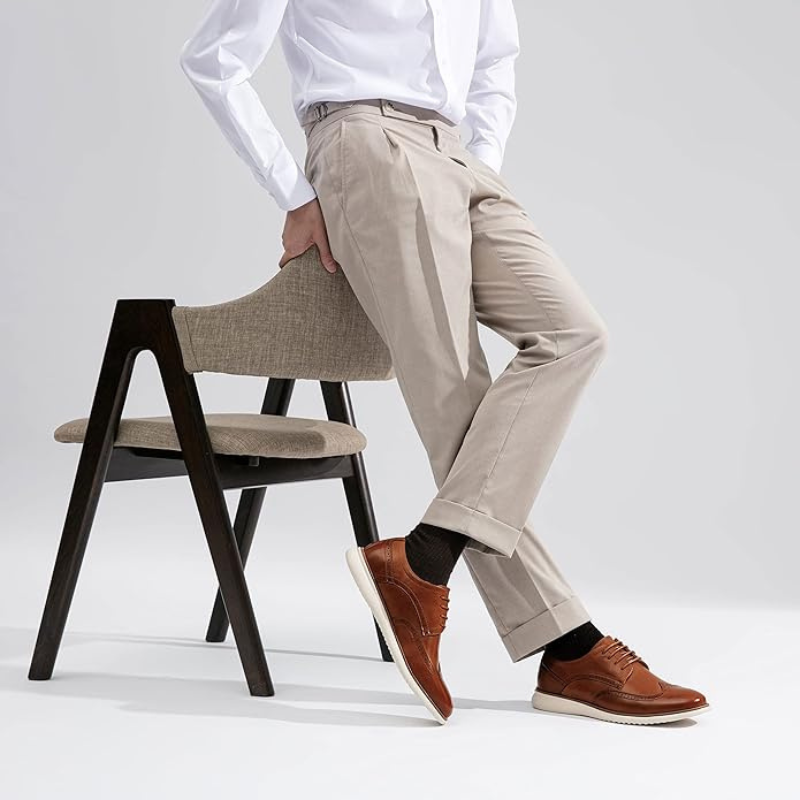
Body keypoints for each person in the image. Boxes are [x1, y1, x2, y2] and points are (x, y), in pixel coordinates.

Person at [179, 0, 710, 725]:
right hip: (365, 140)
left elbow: (494, 60)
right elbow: (213, 58)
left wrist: (478, 162)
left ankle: (423, 561)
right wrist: (295, 192)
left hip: (459, 155)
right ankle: (569, 650)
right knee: (456, 396)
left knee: (574, 334)